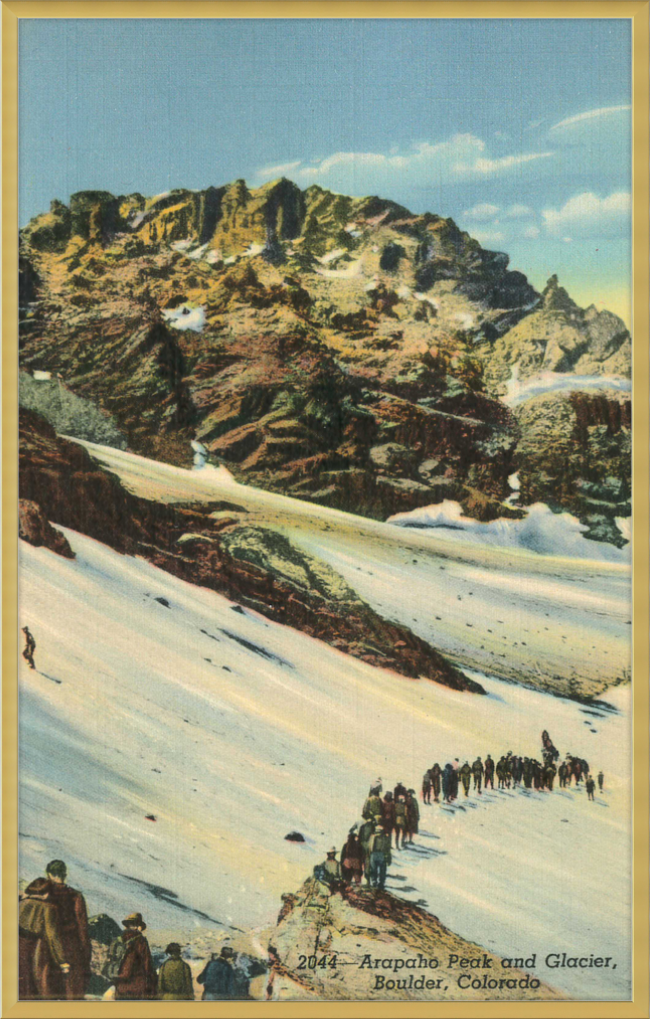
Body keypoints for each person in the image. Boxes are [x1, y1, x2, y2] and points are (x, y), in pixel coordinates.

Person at [42, 860, 90, 1000]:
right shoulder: (76, 896)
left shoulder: (44, 896)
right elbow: (82, 928)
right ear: (64, 874)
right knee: (71, 991)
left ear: (49, 874)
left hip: (48, 947)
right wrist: (85, 954)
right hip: (71, 947)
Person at [19, 878, 68, 1000]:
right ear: (47, 893)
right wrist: (62, 961)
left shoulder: (23, 902)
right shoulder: (49, 908)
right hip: (33, 947)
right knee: (34, 983)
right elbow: (52, 936)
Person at [110, 912, 157, 1000]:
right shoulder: (140, 940)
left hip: (120, 986)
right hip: (136, 986)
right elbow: (147, 964)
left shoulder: (119, 939)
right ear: (138, 925)